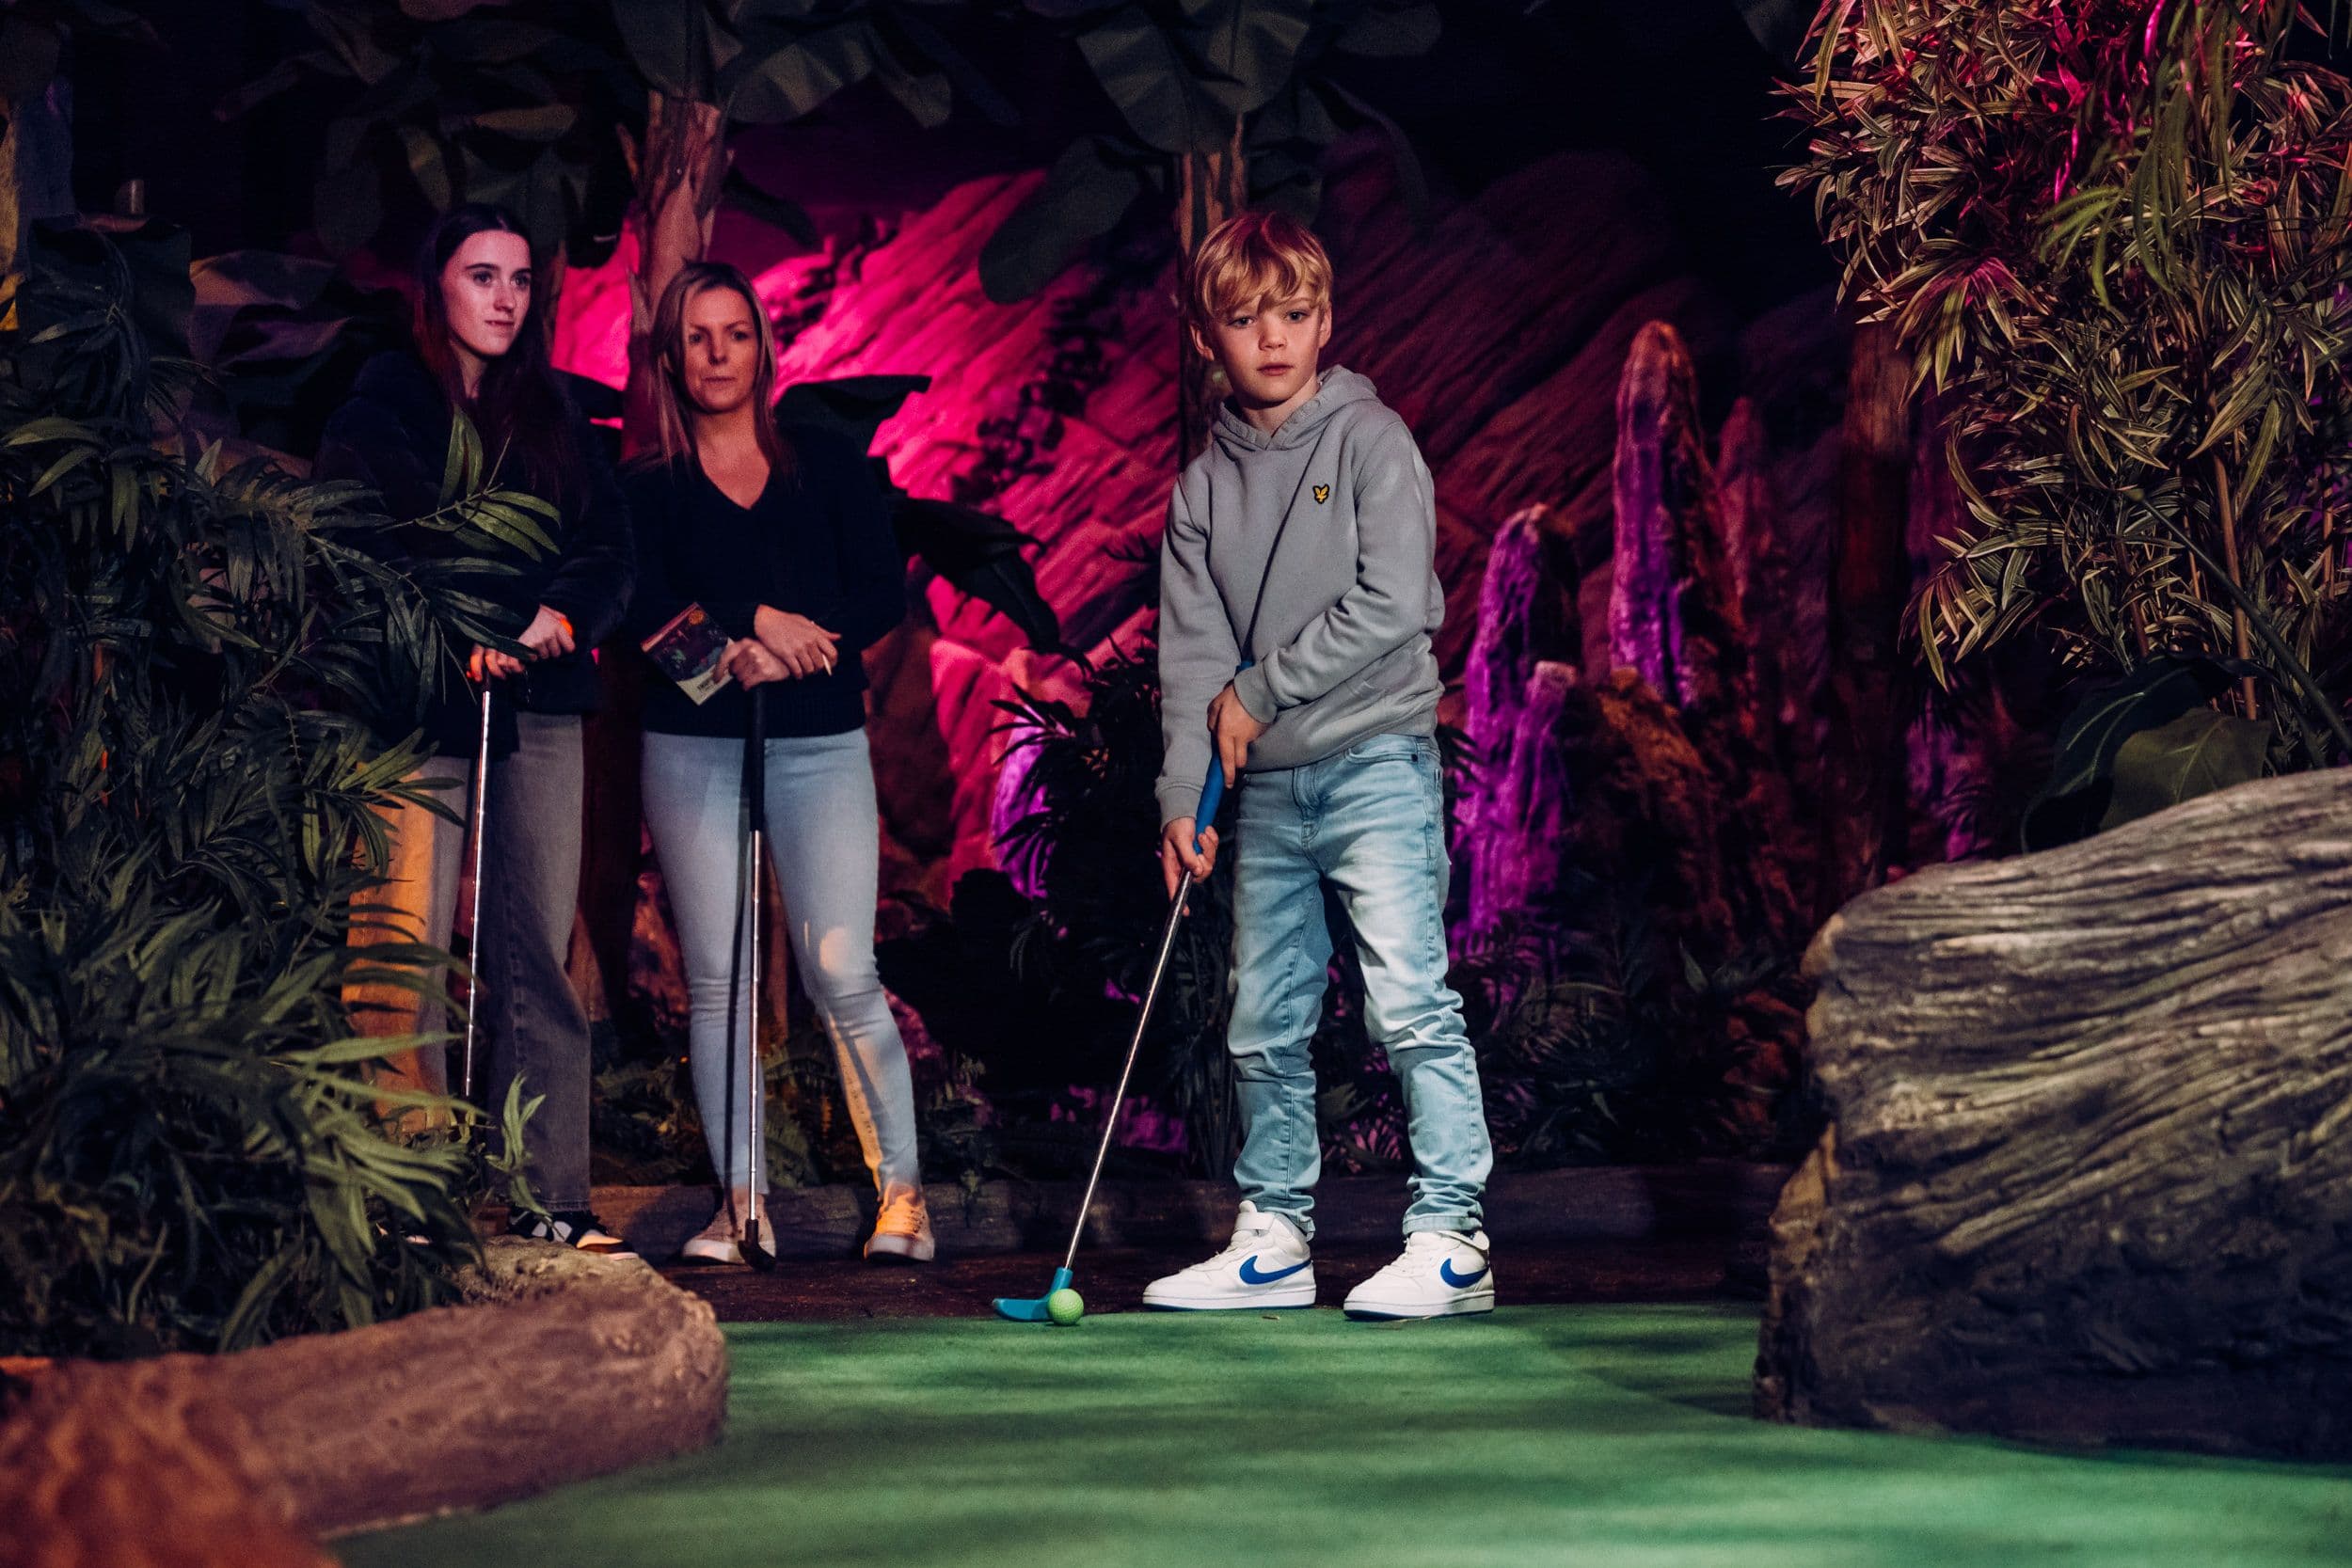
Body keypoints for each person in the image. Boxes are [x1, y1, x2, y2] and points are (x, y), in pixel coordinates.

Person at [1143, 211, 1496, 1320]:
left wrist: (1257, 692)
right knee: (1263, 1015)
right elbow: (1192, 657)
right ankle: (1275, 1238)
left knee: (1407, 1000)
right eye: (1246, 320)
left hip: (1376, 757)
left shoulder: (1369, 439)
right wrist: (1176, 800)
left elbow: (1396, 604)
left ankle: (1452, 1233)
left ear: (1326, 319)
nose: (1273, 338)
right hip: (1270, 791)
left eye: (1293, 314)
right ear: (1209, 336)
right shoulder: (1201, 491)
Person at [316, 203, 636, 1255]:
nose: (503, 297)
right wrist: (471, 625)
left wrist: (556, 618)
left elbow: (605, 545)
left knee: (535, 949)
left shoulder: (555, 410)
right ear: (436, 285)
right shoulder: (381, 401)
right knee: (397, 946)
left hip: (539, 704)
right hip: (416, 703)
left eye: (519, 280)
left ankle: (553, 1195)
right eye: (481, 275)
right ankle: (405, 1192)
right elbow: (376, 536)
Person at [624, 261, 931, 1267]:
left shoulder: (825, 462)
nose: (719, 355)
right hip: (692, 744)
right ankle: (740, 1203)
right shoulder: (651, 488)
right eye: (698, 337)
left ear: (763, 346)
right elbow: (644, 615)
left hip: (818, 740)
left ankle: (905, 1201)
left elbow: (879, 592)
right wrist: (743, 636)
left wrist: (802, 643)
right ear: (672, 356)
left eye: (736, 334)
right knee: (716, 977)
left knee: (844, 967)